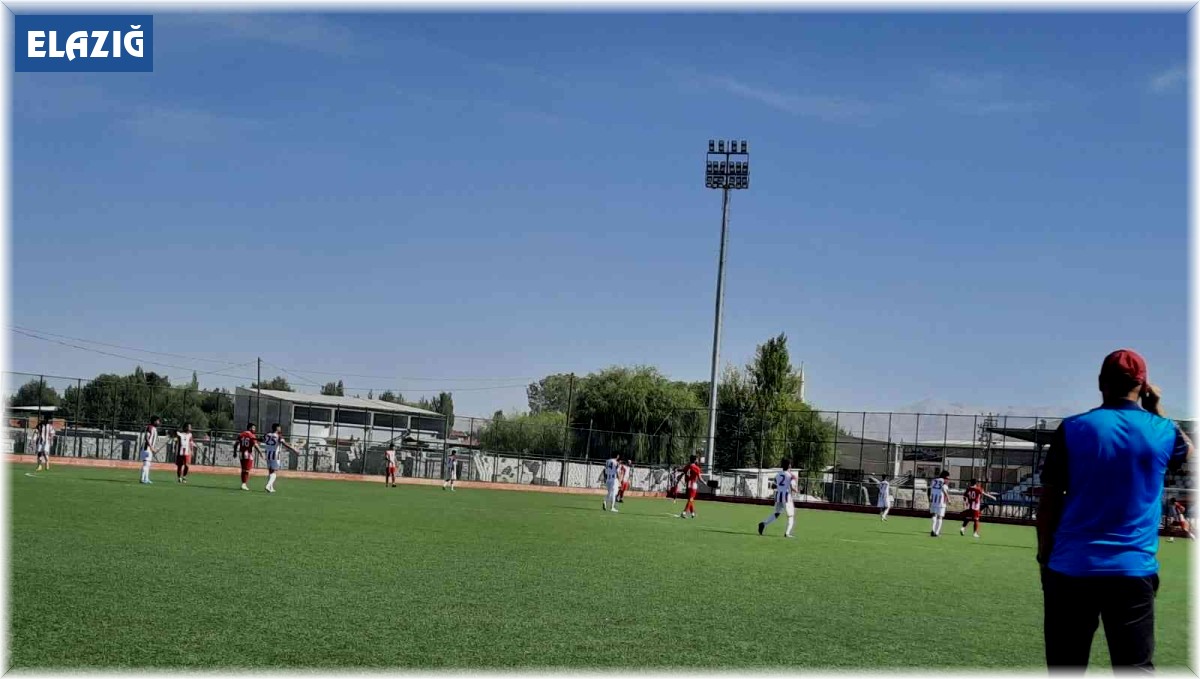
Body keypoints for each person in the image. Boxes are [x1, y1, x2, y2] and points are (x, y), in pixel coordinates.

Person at [1036, 349, 1191, 671]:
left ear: (1100, 382)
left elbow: (1049, 500)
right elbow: (1190, 453)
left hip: (1071, 566)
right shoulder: (1163, 430)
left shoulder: (1073, 428)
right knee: (1134, 668)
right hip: (1132, 569)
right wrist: (1155, 408)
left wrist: (1044, 555)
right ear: (1143, 385)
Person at [758, 459, 798, 538]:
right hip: (787, 497)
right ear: (789, 465)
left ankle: (763, 523)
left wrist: (780, 487)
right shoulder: (791, 476)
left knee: (777, 513)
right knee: (791, 516)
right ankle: (787, 533)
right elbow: (792, 487)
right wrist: (796, 490)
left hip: (778, 496)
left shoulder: (778, 474)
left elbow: (773, 486)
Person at [263, 423, 299, 494]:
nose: (280, 429)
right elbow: (284, 444)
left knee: (270, 471)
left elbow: (261, 439)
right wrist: (294, 449)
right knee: (274, 472)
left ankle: (271, 487)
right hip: (275, 455)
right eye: (279, 427)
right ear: (277, 428)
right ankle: (268, 485)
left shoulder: (267, 435)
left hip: (267, 454)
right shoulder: (279, 436)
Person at [235, 423, 261, 491]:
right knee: (246, 470)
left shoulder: (241, 434)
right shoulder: (251, 435)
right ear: (250, 428)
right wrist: (261, 453)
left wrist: (234, 452)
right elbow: (256, 445)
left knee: (243, 469)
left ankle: (243, 483)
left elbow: (236, 444)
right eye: (253, 428)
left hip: (241, 453)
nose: (254, 430)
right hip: (248, 454)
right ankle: (244, 484)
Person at [140, 416, 161, 484]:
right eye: (158, 421)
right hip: (147, 448)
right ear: (154, 421)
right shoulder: (150, 427)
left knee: (148, 464)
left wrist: (153, 448)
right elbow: (146, 437)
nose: (159, 422)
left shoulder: (154, 428)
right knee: (146, 463)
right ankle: (142, 479)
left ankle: (146, 478)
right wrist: (151, 447)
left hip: (149, 449)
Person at [928, 470, 950, 537]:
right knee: (940, 517)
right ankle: (937, 532)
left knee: (934, 515)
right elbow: (944, 489)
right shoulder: (944, 482)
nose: (948, 479)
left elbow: (929, 490)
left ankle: (933, 529)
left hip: (933, 500)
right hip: (941, 501)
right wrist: (948, 499)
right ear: (944, 476)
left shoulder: (934, 481)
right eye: (947, 478)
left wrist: (929, 499)